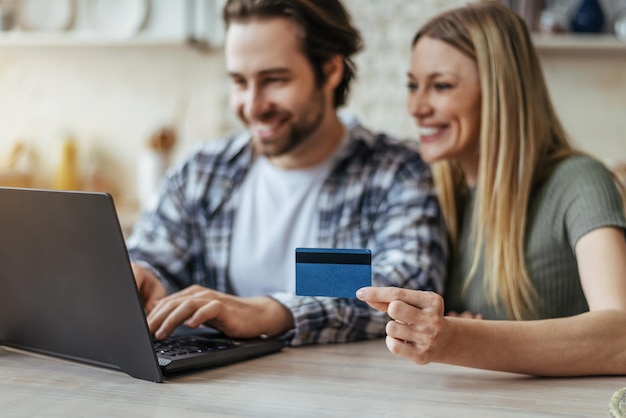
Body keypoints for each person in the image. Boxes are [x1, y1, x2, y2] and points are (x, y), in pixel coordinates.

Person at [126, 0, 447, 346]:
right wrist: (143, 274)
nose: (252, 106)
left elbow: (407, 291)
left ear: (330, 70)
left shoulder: (396, 174)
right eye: (239, 81)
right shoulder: (202, 171)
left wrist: (269, 311)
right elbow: (154, 255)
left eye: (274, 80)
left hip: (339, 394)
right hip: (209, 392)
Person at [357, 1, 626, 376]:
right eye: (413, 85)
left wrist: (459, 339)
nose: (416, 107)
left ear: (501, 92)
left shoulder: (580, 180)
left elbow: (620, 336)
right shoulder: (438, 192)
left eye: (441, 86)